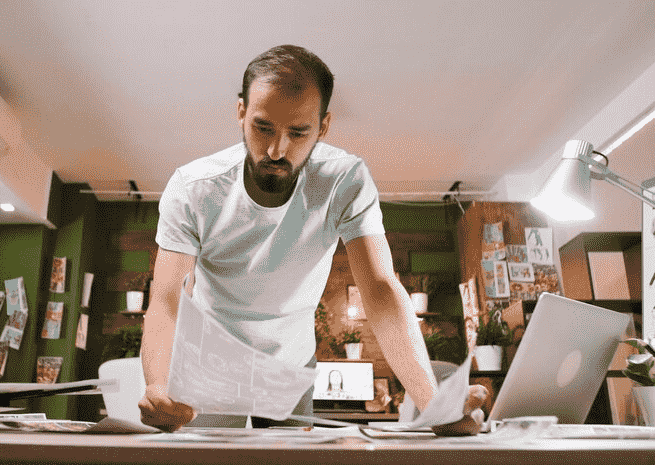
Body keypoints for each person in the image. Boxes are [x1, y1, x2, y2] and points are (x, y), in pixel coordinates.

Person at [138, 44, 486, 435]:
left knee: (290, 460)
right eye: (263, 128)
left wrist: (434, 406)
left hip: (291, 365)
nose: (276, 150)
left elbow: (380, 289)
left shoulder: (345, 180)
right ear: (241, 112)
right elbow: (167, 298)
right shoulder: (194, 188)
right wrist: (158, 385)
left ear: (323, 127)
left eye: (298, 132)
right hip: (211, 362)